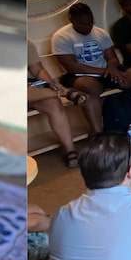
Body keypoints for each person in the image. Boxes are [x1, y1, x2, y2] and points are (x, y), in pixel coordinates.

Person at [52, 3, 131, 133]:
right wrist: (105, 71)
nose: (88, 27)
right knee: (89, 87)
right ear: (71, 20)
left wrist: (112, 68)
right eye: (83, 24)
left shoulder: (100, 33)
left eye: (91, 23)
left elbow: (112, 58)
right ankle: (98, 133)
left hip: (106, 72)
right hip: (79, 75)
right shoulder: (61, 36)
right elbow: (72, 66)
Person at [27, 40, 88, 168]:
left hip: (32, 90)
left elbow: (37, 70)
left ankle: (70, 150)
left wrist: (51, 84)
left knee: (54, 104)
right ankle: (65, 92)